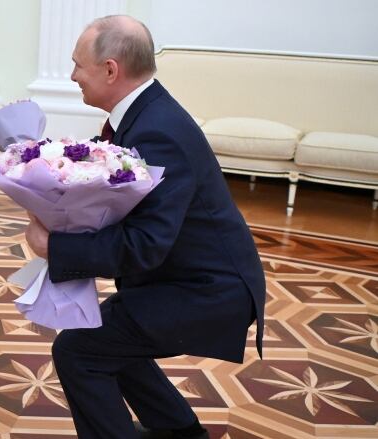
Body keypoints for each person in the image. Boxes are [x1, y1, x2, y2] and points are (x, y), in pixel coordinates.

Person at [23, 16, 265, 439]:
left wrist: (55, 247)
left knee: (79, 351)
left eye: (78, 64)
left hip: (208, 292)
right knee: (106, 332)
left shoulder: (157, 132)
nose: (72, 75)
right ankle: (181, 432)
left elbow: (145, 244)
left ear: (111, 69)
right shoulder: (145, 114)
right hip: (187, 278)